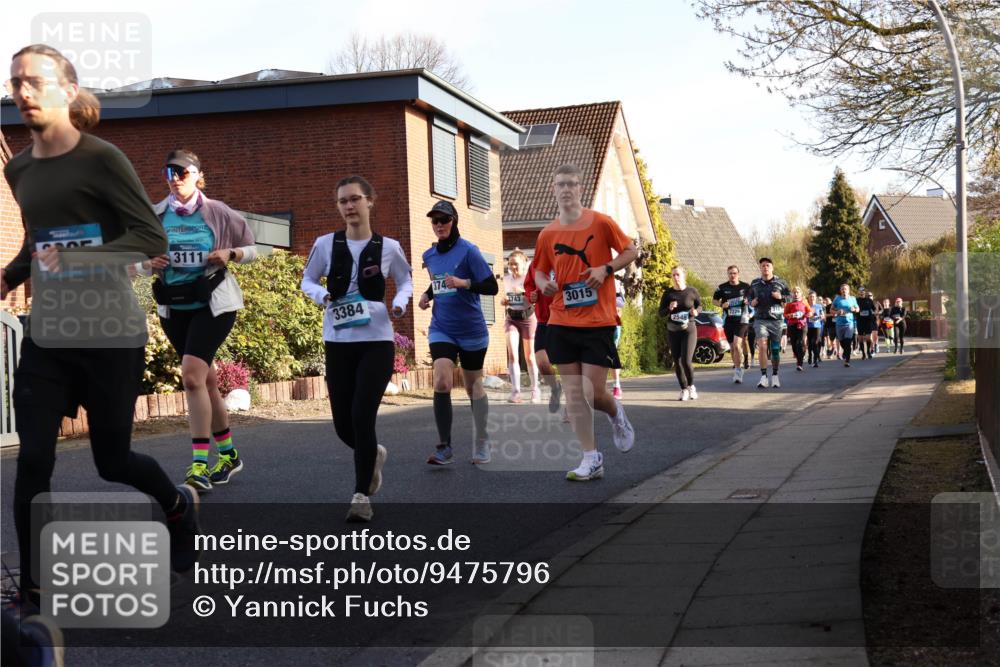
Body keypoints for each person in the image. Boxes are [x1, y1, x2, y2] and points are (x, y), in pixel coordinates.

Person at [1, 44, 200, 607]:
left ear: (67, 89)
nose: (23, 92)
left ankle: (178, 504)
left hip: (110, 332)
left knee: (111, 460)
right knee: (34, 457)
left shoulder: (103, 159)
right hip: (49, 334)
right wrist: (9, 275)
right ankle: (35, 591)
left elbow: (150, 239)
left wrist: (84, 259)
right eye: (16, 82)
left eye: (35, 81)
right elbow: (39, 240)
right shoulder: (18, 168)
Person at [138, 149, 257, 492]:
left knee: (191, 377)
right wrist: (149, 262)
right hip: (174, 307)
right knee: (205, 381)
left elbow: (252, 248)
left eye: (181, 172)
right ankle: (230, 455)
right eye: (168, 172)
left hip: (214, 304)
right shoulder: (155, 214)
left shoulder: (217, 212)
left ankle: (199, 466)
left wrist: (230, 253)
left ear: (196, 175)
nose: (175, 178)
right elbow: (132, 260)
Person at [301, 175, 412, 522]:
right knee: (342, 425)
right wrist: (322, 295)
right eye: (342, 201)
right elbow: (307, 280)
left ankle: (361, 495)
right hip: (338, 341)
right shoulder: (325, 244)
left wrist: (400, 301)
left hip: (376, 341)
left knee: (363, 416)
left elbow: (406, 279)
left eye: (354, 199)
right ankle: (373, 454)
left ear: (369, 201)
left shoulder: (389, 247)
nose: (349, 206)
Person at [533, 163, 637, 481]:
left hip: (598, 321)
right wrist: (542, 284)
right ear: (553, 189)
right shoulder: (548, 233)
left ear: (581, 188)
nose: (566, 189)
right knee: (575, 394)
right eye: (560, 184)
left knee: (594, 392)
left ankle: (616, 412)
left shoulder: (601, 222)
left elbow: (631, 251)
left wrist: (605, 269)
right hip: (562, 319)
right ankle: (591, 458)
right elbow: (538, 269)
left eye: (572, 184)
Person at [418, 201, 497, 466]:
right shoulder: (429, 256)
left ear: (454, 221)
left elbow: (492, 286)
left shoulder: (469, 251)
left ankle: (483, 440)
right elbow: (438, 282)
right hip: (442, 328)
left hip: (471, 329)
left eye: (444, 220)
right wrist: (427, 295)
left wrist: (465, 283)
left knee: (474, 386)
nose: (439, 225)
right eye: (435, 221)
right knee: (441, 380)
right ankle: (444, 447)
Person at [501, 249, 540, 403]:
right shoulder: (506, 279)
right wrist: (505, 301)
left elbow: (535, 299)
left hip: (528, 317)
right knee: (512, 355)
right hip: (511, 318)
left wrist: (524, 292)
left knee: (529, 357)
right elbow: (507, 299)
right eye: (510, 264)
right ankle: (516, 392)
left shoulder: (529, 279)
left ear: (524, 264)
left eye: (515, 264)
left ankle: (535, 389)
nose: (512, 267)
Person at [524, 257, 562, 413]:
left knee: (567, 366)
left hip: (565, 319)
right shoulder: (535, 264)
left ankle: (572, 407)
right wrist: (530, 295)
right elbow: (529, 287)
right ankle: (555, 387)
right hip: (544, 320)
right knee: (542, 363)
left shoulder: (566, 260)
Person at [660, 266, 701, 400]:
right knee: (677, 361)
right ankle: (683, 389)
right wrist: (669, 308)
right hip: (673, 330)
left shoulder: (692, 291)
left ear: (684, 276)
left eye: (678, 275)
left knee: (686, 361)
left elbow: (699, 306)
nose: (676, 278)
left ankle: (691, 386)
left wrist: (696, 312)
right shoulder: (668, 294)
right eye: (673, 275)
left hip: (689, 329)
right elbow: (661, 313)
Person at [748, 257, 790, 388]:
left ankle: (775, 375)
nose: (765, 268)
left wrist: (781, 297)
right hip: (760, 319)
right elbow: (748, 298)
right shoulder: (754, 283)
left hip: (776, 321)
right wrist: (751, 302)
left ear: (772, 268)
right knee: (762, 346)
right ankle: (763, 376)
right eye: (763, 266)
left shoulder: (781, 283)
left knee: (775, 350)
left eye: (768, 265)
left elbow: (790, 297)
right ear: (760, 268)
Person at [713, 265, 751, 383]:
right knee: (732, 348)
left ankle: (738, 371)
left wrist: (748, 301)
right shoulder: (722, 287)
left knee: (736, 345)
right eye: (730, 273)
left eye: (734, 273)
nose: (732, 275)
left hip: (742, 320)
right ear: (727, 274)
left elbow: (753, 298)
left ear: (738, 274)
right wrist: (721, 305)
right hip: (728, 320)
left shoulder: (746, 287)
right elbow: (714, 300)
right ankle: (738, 364)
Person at [833, 284, 860, 367]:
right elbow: (831, 310)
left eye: (845, 289)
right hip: (839, 323)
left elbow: (858, 309)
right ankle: (846, 351)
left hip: (849, 323)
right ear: (840, 291)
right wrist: (837, 312)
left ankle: (847, 360)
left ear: (848, 290)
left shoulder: (852, 299)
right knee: (842, 341)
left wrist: (854, 309)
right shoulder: (837, 299)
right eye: (842, 289)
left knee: (848, 341)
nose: (844, 290)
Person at [783, 287, 809, 371]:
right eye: (794, 292)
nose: (796, 294)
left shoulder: (805, 302)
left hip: (802, 325)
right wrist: (791, 315)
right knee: (794, 345)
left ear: (801, 294)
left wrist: (804, 315)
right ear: (792, 294)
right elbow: (785, 314)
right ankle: (799, 356)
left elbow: (810, 312)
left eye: (797, 292)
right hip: (792, 325)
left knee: (800, 342)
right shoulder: (789, 304)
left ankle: (799, 363)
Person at [611, 289, 626, 399]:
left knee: (612, 353)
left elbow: (620, 304)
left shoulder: (611, 276)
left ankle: (617, 385)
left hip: (613, 323)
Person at [856, 287, 878, 359]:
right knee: (860, 339)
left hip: (868, 321)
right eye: (860, 291)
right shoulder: (856, 300)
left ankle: (868, 351)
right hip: (860, 321)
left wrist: (874, 313)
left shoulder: (869, 300)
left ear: (865, 292)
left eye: (863, 291)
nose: (862, 292)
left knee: (868, 338)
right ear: (858, 292)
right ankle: (863, 354)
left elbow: (874, 309)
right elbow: (853, 309)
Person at [806, 291, 825, 368]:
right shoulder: (806, 306)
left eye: (813, 296)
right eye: (810, 296)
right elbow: (803, 315)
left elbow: (823, 316)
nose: (812, 298)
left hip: (817, 326)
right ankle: (810, 354)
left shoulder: (819, 306)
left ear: (815, 297)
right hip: (808, 327)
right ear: (808, 298)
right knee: (810, 343)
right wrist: (808, 316)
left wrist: (821, 316)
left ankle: (815, 360)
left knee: (815, 343)